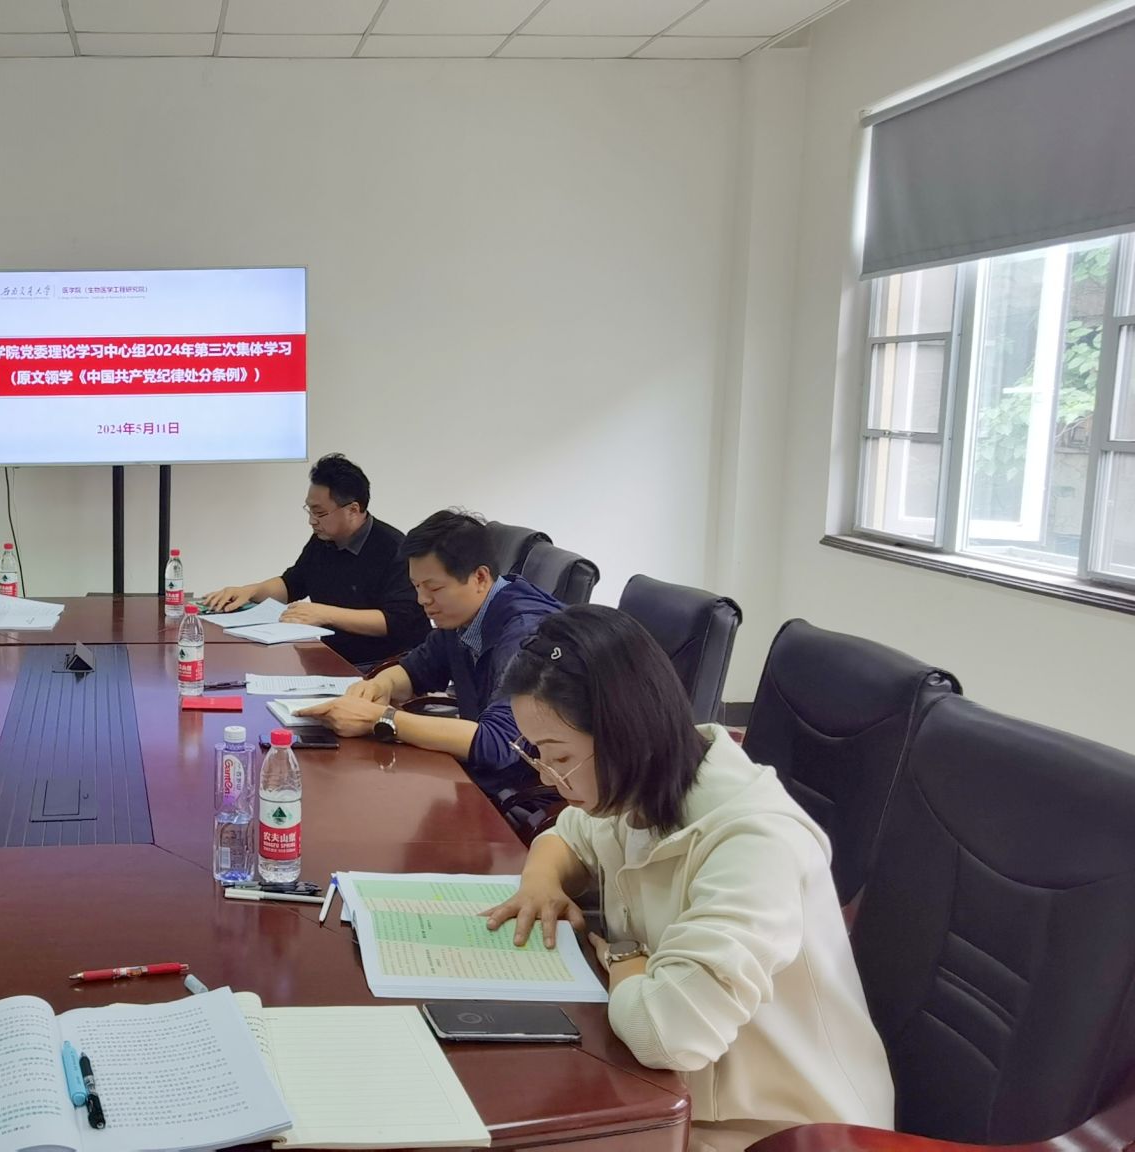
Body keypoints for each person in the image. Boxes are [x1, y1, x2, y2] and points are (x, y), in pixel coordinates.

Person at [483, 606, 893, 1150]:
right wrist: (541, 882)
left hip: (784, 1125)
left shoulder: (756, 843)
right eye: (536, 754)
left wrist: (623, 955)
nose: (552, 779)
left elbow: (669, 1034)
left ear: (626, 735)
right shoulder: (645, 786)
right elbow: (569, 837)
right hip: (677, 1092)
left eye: (559, 757)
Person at [302, 509, 562, 795]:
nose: (422, 600)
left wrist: (379, 719)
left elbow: (499, 744)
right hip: (477, 778)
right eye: (416, 586)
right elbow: (416, 669)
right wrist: (378, 686)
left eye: (434, 588)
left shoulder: (525, 634)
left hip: (521, 792)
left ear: (480, 577)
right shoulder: (462, 614)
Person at [198, 453, 429, 671]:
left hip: (384, 665)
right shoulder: (324, 540)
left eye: (319, 513)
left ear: (353, 510)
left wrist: (325, 614)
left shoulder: (394, 548)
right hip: (334, 658)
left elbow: (398, 621)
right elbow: (293, 583)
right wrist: (249, 591)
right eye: (309, 510)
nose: (311, 521)